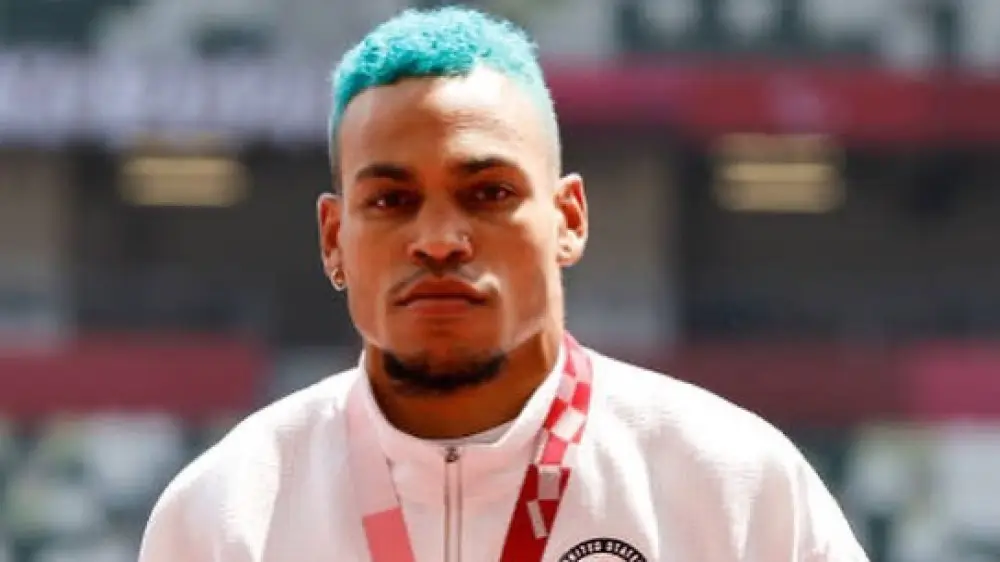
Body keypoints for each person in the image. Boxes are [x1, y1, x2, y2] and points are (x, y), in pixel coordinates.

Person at [138, 6, 869, 562]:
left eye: (488, 192)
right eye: (391, 199)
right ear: (334, 240)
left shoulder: (735, 486)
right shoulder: (223, 517)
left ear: (568, 219)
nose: (437, 238)